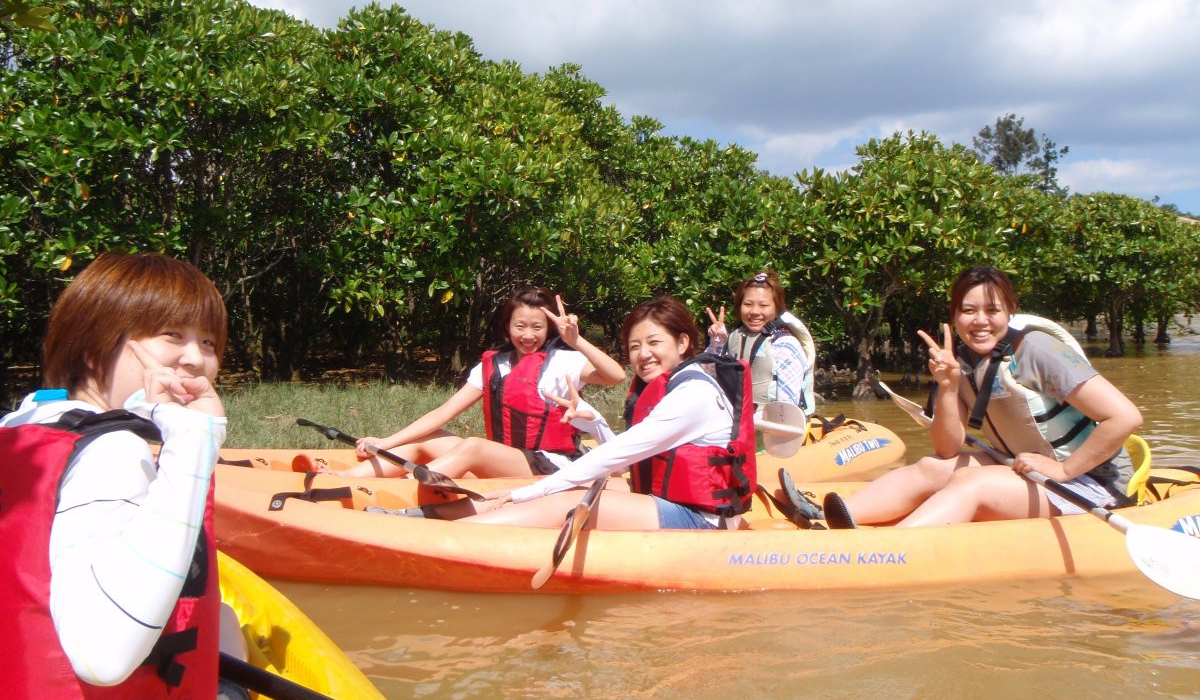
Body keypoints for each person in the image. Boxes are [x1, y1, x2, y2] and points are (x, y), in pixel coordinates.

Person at [0, 251, 253, 700]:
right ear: (95, 348)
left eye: (207, 342)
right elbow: (105, 658)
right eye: (171, 336)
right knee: (226, 626)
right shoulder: (113, 452)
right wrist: (196, 441)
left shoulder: (26, 422)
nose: (196, 360)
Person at [823, 265, 1143, 529]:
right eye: (969, 310)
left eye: (992, 310)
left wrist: (1063, 470)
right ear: (954, 315)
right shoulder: (960, 360)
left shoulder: (1037, 351)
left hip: (1090, 484)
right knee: (932, 467)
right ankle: (828, 521)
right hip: (1022, 465)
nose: (980, 321)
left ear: (1009, 313)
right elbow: (947, 448)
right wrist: (948, 386)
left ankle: (892, 549)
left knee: (969, 482)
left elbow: (1125, 417)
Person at [437, 295, 757, 530]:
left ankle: (450, 537)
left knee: (563, 499)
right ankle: (423, 519)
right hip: (666, 497)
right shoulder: (669, 384)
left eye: (653, 342)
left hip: (701, 520)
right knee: (571, 487)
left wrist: (530, 491)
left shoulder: (693, 393)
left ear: (683, 342)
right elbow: (630, 455)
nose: (643, 354)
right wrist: (595, 420)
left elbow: (619, 454)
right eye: (634, 346)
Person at [340, 286, 625, 478]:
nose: (528, 335)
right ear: (507, 327)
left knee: (474, 446)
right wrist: (386, 442)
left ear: (549, 329)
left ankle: (409, 492)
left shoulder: (564, 361)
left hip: (551, 464)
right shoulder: (494, 365)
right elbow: (443, 413)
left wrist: (575, 341)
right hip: (506, 458)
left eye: (537, 327)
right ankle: (344, 480)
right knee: (427, 439)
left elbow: (616, 376)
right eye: (520, 326)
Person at [706, 270, 816, 413]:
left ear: (777, 310)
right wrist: (717, 343)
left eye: (763, 305)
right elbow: (707, 378)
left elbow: (787, 407)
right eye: (748, 304)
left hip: (770, 426)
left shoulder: (785, 345)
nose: (754, 311)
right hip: (736, 422)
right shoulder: (734, 337)